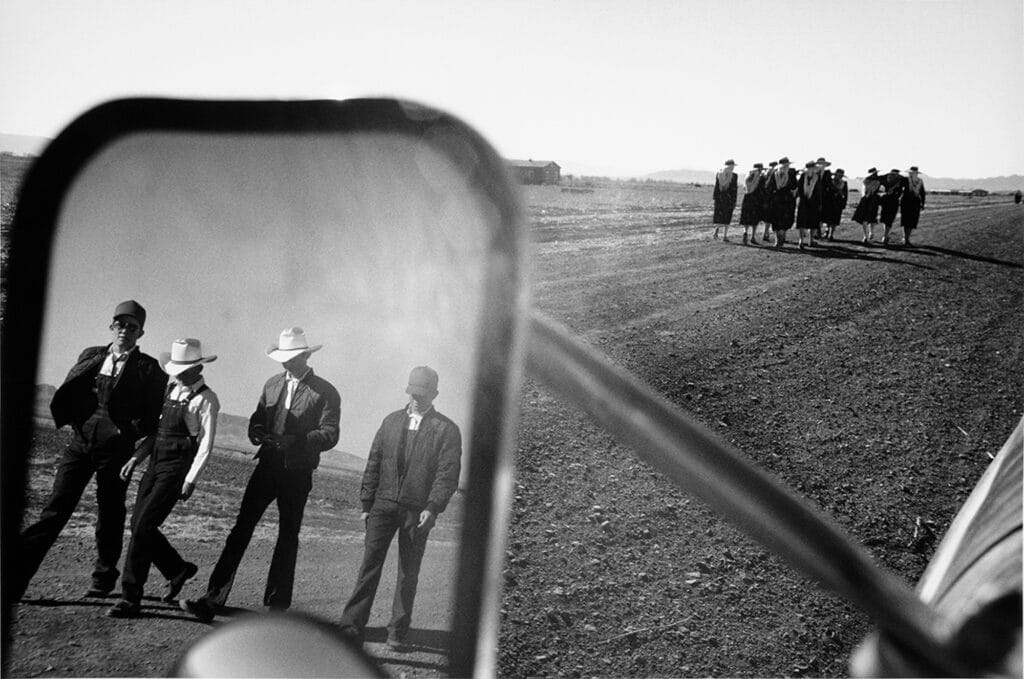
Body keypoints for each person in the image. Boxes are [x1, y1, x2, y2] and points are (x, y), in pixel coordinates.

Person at [11, 301, 167, 602]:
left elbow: (152, 419)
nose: (124, 330)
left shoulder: (150, 370)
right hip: (80, 445)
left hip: (116, 452)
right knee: (54, 511)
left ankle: (104, 578)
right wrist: (74, 420)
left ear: (141, 332)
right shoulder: (92, 356)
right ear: (112, 326)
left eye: (132, 327)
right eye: (120, 324)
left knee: (109, 515)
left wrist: (129, 435)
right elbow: (72, 388)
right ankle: (14, 578)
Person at [181, 327, 340, 621]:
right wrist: (256, 431)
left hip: (298, 472)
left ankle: (277, 608)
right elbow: (259, 417)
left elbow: (330, 434)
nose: (286, 363)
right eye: (283, 357)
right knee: (240, 529)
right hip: (266, 465)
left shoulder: (326, 392)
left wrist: (299, 440)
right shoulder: (271, 384)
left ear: (306, 355)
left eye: (292, 357)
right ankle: (212, 599)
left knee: (287, 536)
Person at [338, 366, 462, 650]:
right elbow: (374, 462)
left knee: (408, 572)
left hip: (417, 512)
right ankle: (350, 628)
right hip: (382, 506)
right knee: (369, 567)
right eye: (413, 392)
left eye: (423, 393)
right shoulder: (391, 421)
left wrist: (432, 507)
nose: (416, 398)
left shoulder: (446, 430)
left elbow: (448, 474)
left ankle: (397, 631)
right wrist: (367, 503)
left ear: (435, 394)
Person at [107, 339, 220, 618]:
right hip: (155, 463)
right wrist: (137, 457)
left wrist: (190, 479)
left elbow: (205, 444)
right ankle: (177, 569)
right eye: (176, 368)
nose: (177, 373)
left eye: (183, 369)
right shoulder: (170, 390)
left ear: (197, 368)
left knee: (144, 526)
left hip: (176, 469)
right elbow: (157, 432)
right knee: (137, 524)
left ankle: (130, 598)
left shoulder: (206, 399)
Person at [765, 157, 799, 248]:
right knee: (776, 221)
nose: (786, 167)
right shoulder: (774, 174)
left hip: (787, 201)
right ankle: (777, 239)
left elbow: (795, 186)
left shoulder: (791, 174)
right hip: (777, 201)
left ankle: (781, 237)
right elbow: (769, 187)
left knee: (784, 221)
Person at [796, 161, 824, 250]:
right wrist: (803, 199)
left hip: (813, 202)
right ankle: (801, 240)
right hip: (803, 201)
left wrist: (819, 203)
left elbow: (818, 191)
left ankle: (811, 240)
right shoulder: (802, 176)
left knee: (813, 221)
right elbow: (799, 189)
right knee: (802, 221)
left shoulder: (816, 177)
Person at [852, 168, 884, 244]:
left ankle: (869, 233)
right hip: (867, 200)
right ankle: (866, 235)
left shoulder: (876, 181)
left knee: (871, 218)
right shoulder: (867, 181)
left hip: (871, 200)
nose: (875, 175)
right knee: (866, 218)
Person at [739, 162, 766, 245]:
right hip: (756, 199)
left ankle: (745, 232)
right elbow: (762, 190)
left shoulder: (747, 176)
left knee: (746, 217)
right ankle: (753, 237)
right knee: (755, 219)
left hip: (747, 198)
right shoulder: (760, 177)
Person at [899, 166, 927, 246]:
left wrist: (923, 203)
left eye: (913, 173)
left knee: (912, 220)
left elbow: (922, 193)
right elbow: (900, 189)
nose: (911, 174)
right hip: (906, 202)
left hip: (915, 202)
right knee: (905, 220)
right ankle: (905, 238)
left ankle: (906, 238)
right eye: (911, 173)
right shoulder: (905, 180)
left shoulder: (920, 181)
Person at [712, 159, 738, 241]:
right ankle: (725, 236)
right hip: (729, 198)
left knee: (720, 215)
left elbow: (716, 187)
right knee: (727, 217)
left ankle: (717, 229)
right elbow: (734, 189)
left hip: (720, 198)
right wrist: (734, 200)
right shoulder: (734, 175)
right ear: (731, 166)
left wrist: (715, 197)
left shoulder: (719, 173)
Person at [879, 168, 906, 245]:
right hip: (893, 201)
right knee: (889, 219)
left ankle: (885, 235)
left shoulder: (886, 179)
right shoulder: (900, 180)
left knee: (885, 218)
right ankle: (885, 235)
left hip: (885, 200)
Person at [822, 168, 849, 240]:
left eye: (841, 175)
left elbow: (845, 195)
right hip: (829, 202)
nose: (839, 176)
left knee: (835, 219)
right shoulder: (830, 181)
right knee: (828, 218)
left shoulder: (844, 183)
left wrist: (843, 204)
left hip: (838, 203)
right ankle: (827, 231)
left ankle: (831, 234)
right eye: (838, 175)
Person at [762, 161, 778, 241]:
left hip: (765, 198)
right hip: (771, 198)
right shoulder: (774, 173)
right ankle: (767, 233)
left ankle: (766, 233)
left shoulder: (765, 173)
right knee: (771, 217)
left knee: (767, 218)